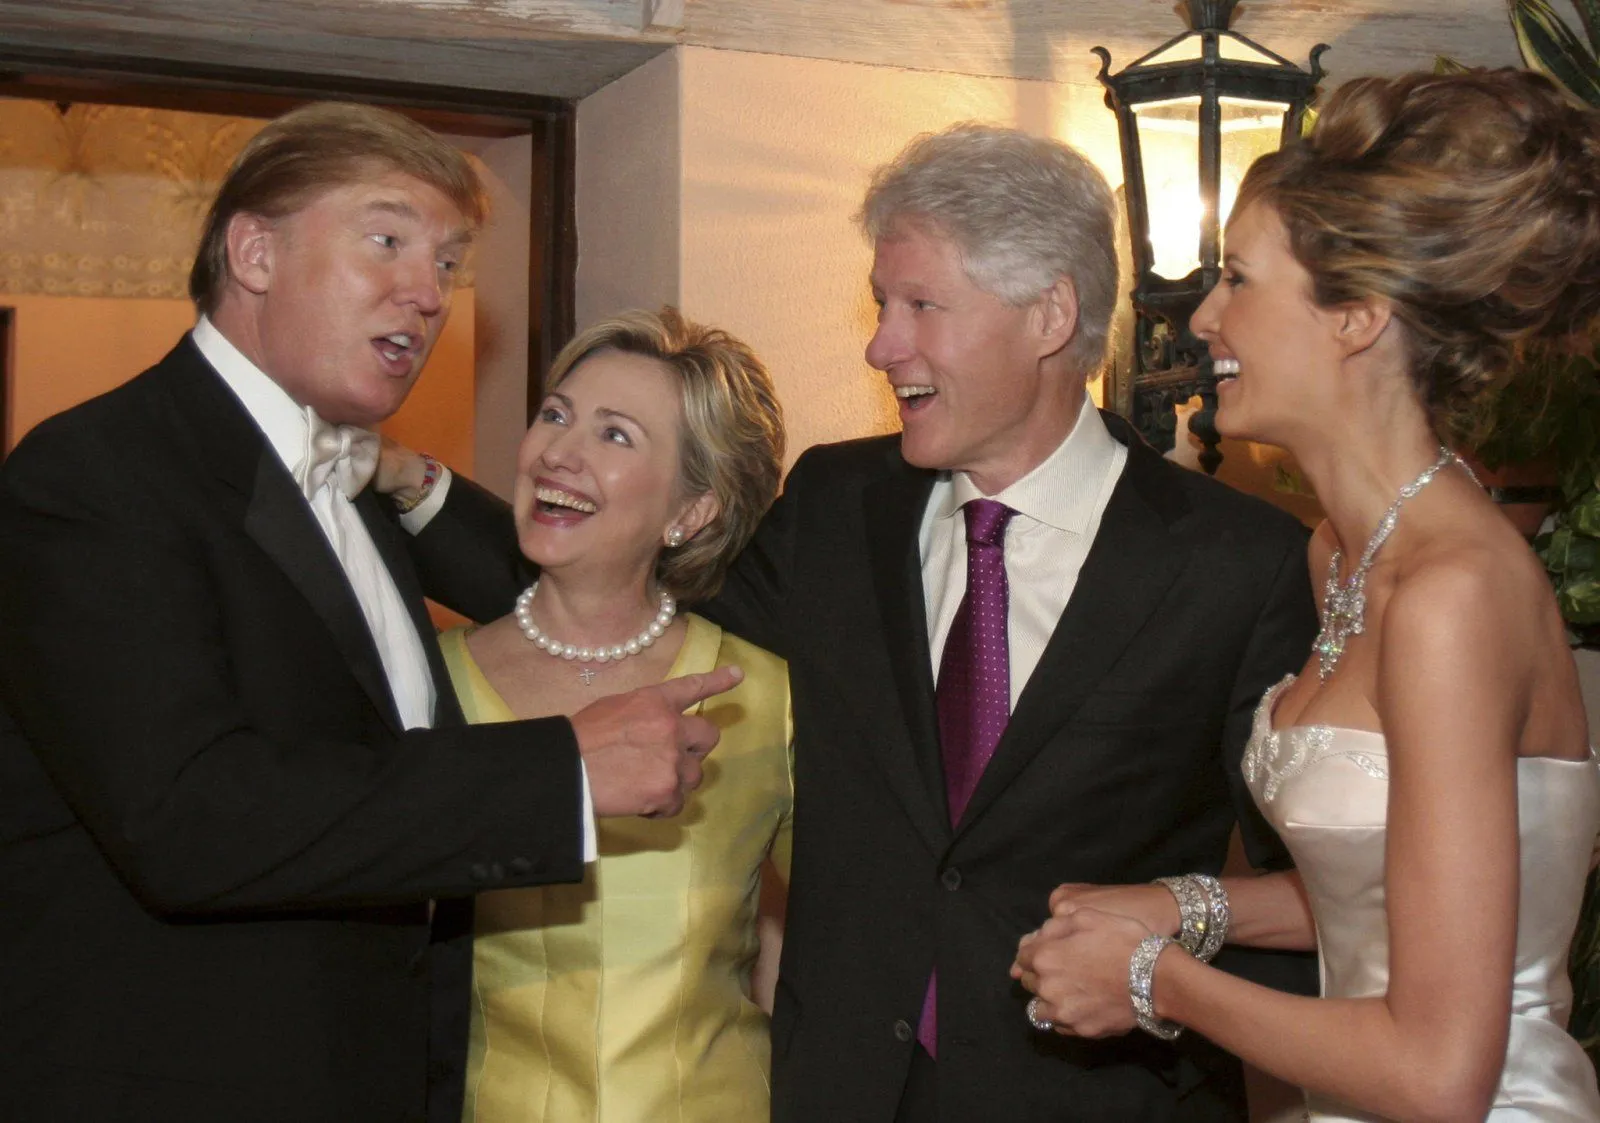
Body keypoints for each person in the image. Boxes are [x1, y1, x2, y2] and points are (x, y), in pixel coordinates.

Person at [398, 122, 1319, 1122]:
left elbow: (1323, 903)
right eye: (883, 304)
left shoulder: (1236, 561)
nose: (882, 345)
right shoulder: (837, 504)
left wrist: (1165, 974)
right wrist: (411, 489)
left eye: (921, 305)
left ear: (1050, 314)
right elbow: (620, 590)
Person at [0, 103, 737, 1123]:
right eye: (386, 241)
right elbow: (188, 818)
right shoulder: (98, 474)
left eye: (446, 262)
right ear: (254, 253)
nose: (428, 293)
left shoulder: (356, 491)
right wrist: (558, 770)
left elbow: (589, 589)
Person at [1012, 69, 1600, 1122]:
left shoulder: (1451, 595)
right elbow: (1385, 892)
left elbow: (1440, 1075)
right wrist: (1185, 904)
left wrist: (1153, 977)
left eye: (1238, 279)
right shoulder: (1340, 555)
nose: (1203, 316)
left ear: (1357, 318)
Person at [440, 308, 792, 1122]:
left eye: (615, 435)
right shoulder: (425, 684)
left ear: (692, 511)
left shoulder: (765, 698)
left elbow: (841, 943)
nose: (558, 453)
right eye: (554, 415)